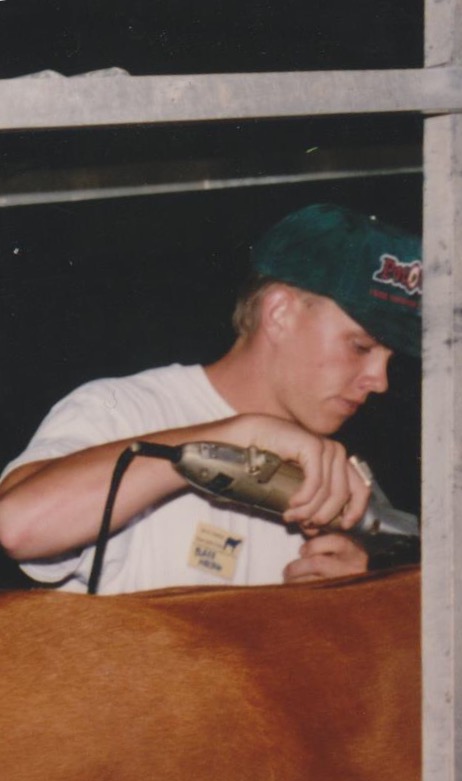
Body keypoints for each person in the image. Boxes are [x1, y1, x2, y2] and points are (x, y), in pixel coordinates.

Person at [0, 202, 422, 593]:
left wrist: (365, 593)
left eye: (389, 359)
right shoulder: (124, 409)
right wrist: (233, 436)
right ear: (279, 314)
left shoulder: (342, 480)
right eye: (361, 347)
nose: (379, 380)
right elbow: (17, 525)